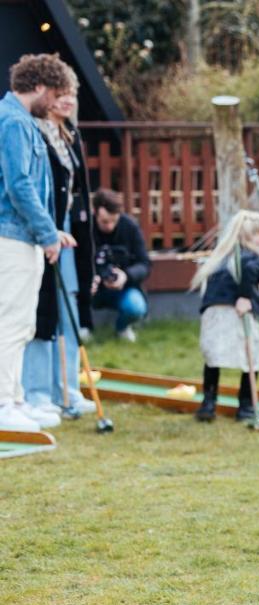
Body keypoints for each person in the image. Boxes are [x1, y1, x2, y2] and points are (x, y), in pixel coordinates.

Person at [0, 53, 76, 432]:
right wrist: (47, 234)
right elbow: (18, 185)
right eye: (57, 93)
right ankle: (4, 404)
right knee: (11, 323)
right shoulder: (12, 122)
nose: (58, 102)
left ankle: (15, 399)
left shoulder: (22, 121)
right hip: (12, 239)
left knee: (22, 323)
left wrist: (51, 230)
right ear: (41, 87)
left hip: (22, 235)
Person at [24, 86, 97, 421]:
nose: (68, 100)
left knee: (68, 306)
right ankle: (37, 392)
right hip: (43, 228)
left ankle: (67, 389)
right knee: (42, 310)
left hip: (70, 229)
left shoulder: (69, 135)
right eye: (61, 93)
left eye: (72, 93)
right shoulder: (33, 131)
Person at [189, 211, 259, 422]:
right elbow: (251, 269)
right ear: (248, 236)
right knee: (251, 356)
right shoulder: (250, 256)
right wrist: (245, 296)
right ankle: (246, 406)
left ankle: (208, 404)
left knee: (213, 358)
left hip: (212, 312)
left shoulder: (219, 258)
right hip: (234, 312)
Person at [90, 188, 150, 342]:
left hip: (124, 287)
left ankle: (122, 328)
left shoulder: (129, 226)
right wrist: (91, 278)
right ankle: (83, 327)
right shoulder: (85, 229)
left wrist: (126, 276)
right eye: (104, 221)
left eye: (113, 221)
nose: (109, 226)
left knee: (136, 308)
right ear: (95, 212)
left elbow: (145, 264)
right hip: (91, 288)